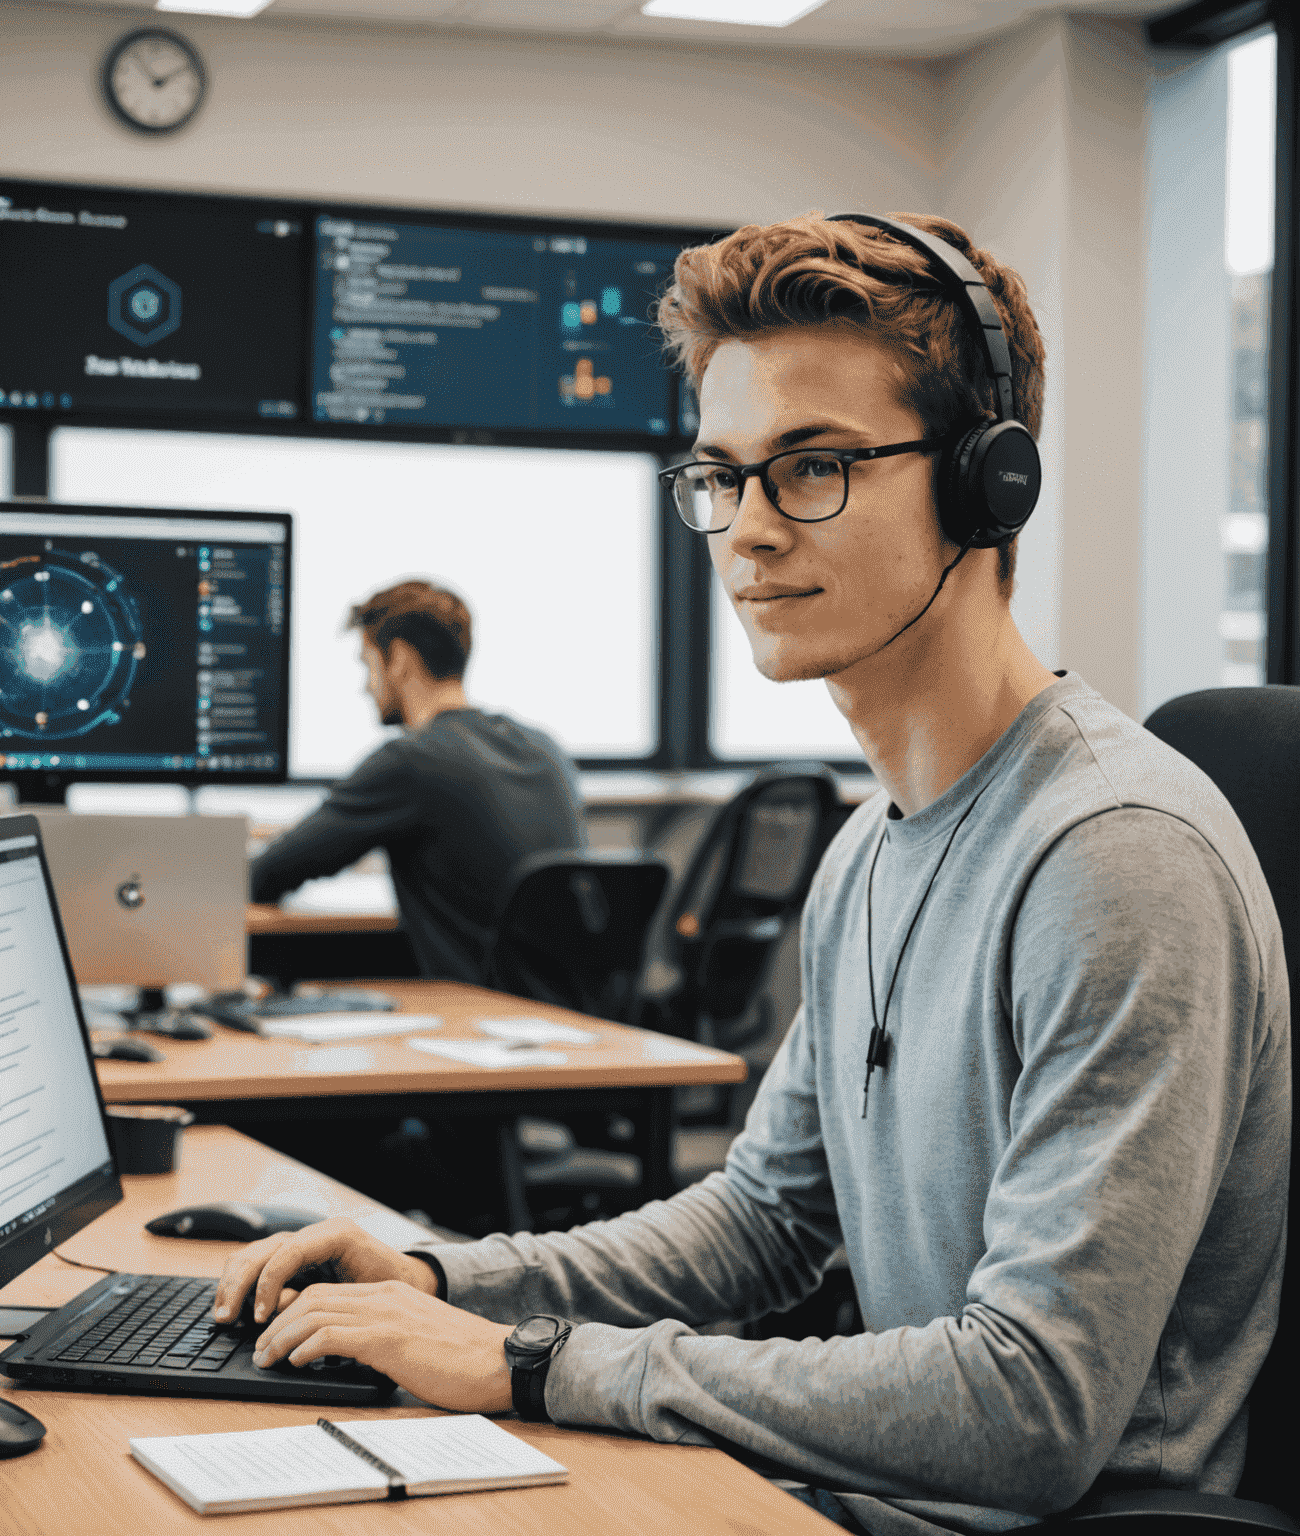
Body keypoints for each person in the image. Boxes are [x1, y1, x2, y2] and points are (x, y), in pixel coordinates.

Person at [217, 215, 1290, 1536]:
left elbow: (1033, 1409)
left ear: (986, 484)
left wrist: (529, 1366)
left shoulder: (1118, 857)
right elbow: (766, 1222)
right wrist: (448, 1284)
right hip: (870, 1489)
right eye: (723, 477)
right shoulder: (870, 850)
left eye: (815, 468)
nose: (748, 533)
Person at [249, 579, 585, 982]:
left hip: (479, 1016)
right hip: (569, 1019)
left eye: (368, 664)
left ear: (400, 660)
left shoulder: (412, 760)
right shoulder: (545, 749)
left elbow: (271, 872)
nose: (365, 686)